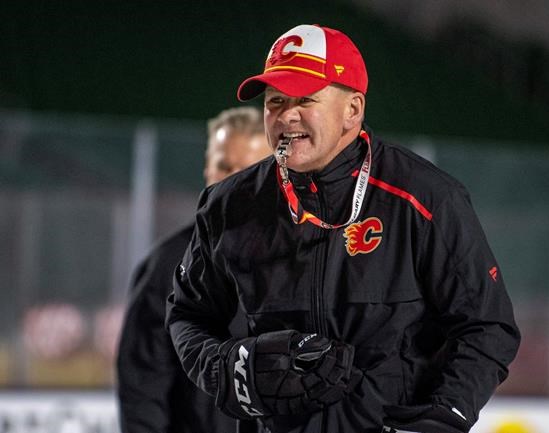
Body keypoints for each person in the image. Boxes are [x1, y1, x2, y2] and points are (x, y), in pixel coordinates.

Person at [166, 24, 520, 433]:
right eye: (275, 101)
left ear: (352, 109)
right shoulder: (230, 205)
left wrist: (446, 413)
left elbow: (488, 326)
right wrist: (229, 370)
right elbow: (188, 316)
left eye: (305, 99)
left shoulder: (425, 198)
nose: (286, 115)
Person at [117, 106, 272, 433]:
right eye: (224, 166)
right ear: (207, 168)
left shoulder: (302, 258)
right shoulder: (168, 264)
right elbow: (143, 383)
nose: (232, 180)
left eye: (248, 169)